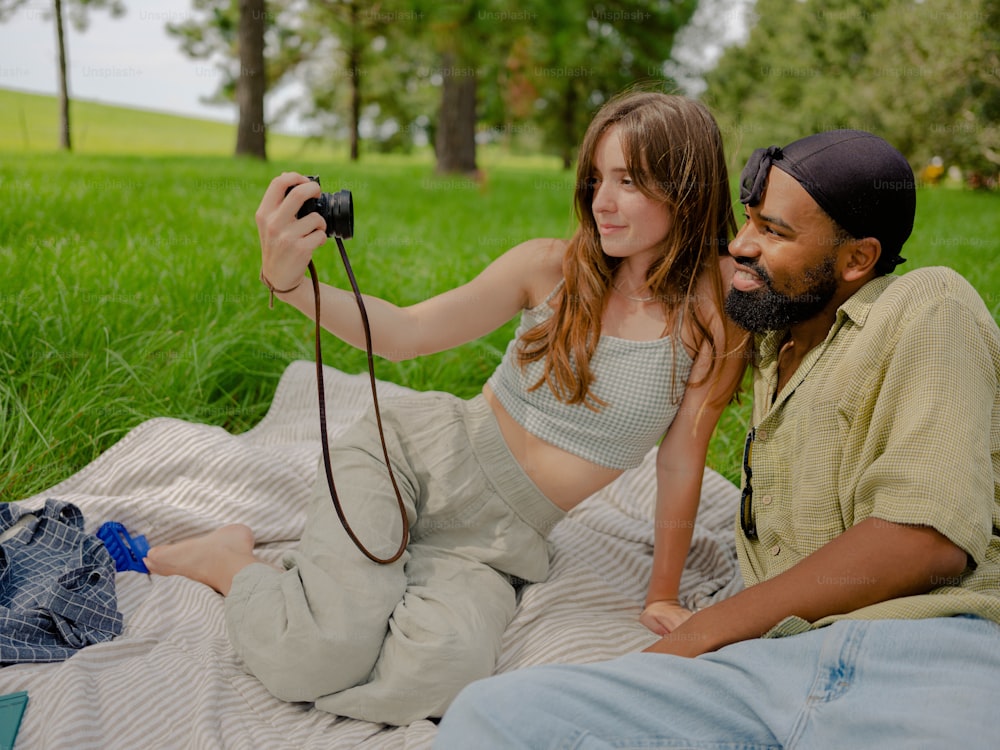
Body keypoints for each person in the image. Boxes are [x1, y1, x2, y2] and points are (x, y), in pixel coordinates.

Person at [143, 90, 749, 726]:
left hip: (495, 547)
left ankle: (342, 611)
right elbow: (405, 333)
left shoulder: (713, 318)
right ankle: (231, 564)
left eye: (628, 180)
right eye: (597, 177)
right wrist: (291, 286)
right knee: (313, 654)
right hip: (411, 460)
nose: (601, 199)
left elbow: (682, 463)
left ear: (685, 186)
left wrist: (662, 595)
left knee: (435, 674)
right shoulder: (550, 267)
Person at [433, 130, 1000, 748]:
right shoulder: (770, 334)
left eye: (773, 232)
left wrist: (694, 637)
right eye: (747, 220)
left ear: (857, 260)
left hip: (931, 650)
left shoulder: (926, 304)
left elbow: (922, 542)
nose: (741, 244)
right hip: (765, 666)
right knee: (493, 718)